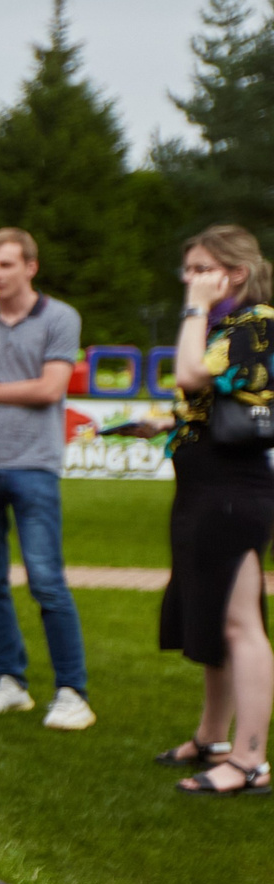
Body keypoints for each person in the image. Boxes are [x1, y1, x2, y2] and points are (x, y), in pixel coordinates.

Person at [0, 227, 91, 731]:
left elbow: (51, 389)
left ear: (30, 266)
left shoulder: (59, 317)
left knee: (46, 580)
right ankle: (11, 681)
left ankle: (72, 692)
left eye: (5, 265)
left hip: (33, 464)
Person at [156, 226, 274, 796]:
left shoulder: (257, 322)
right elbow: (210, 395)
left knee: (239, 623)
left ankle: (251, 760)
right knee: (211, 615)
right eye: (189, 269)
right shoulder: (229, 326)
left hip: (233, 487)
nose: (191, 279)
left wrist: (192, 309)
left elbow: (190, 373)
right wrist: (169, 423)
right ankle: (212, 738)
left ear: (236, 273)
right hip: (205, 483)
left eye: (202, 268)